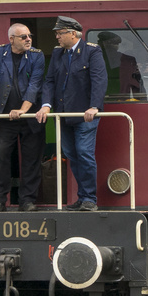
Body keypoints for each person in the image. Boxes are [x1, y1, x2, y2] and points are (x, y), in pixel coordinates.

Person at [36, 15, 107, 210]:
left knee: (84, 153)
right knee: (72, 155)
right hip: (64, 115)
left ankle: (90, 199)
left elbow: (99, 80)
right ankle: (83, 196)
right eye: (57, 34)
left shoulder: (92, 51)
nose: (57, 37)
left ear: (73, 34)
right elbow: (49, 81)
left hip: (86, 115)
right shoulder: (58, 53)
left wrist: (95, 106)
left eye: (60, 33)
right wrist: (46, 104)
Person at [0, 23, 46, 211]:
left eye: (29, 36)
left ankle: (27, 200)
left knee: (32, 158)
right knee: (1, 158)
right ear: (11, 39)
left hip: (31, 116)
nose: (28, 39)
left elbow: (35, 85)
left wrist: (24, 110)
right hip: (4, 117)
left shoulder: (37, 55)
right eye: (23, 37)